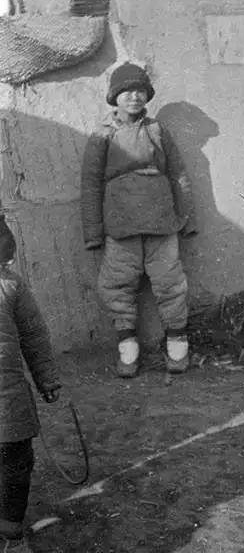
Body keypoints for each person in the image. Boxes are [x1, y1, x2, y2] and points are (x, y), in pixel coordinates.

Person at [81, 62, 197, 377]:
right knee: (117, 285)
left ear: (147, 96)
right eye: (127, 92)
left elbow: (178, 174)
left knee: (170, 282)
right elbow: (90, 185)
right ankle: (127, 348)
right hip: (121, 224)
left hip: (161, 221)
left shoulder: (157, 130)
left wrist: (186, 217)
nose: (134, 97)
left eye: (140, 91)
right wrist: (93, 232)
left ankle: (177, 343)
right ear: (114, 97)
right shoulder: (103, 135)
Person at [0, 215, 61, 553]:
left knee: (15, 463)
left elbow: (34, 335)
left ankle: (13, 536)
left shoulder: (11, 286)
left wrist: (46, 377)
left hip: (7, 398)